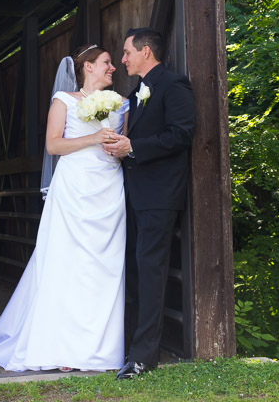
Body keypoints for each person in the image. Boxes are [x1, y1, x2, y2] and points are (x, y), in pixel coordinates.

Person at [0, 45, 129, 372]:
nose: (113, 68)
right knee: (68, 264)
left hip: (108, 190)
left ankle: (100, 350)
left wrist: (117, 149)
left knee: (106, 268)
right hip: (73, 190)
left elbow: (124, 147)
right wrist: (93, 139)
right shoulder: (63, 101)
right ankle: (63, 347)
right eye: (107, 63)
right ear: (88, 67)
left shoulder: (122, 104)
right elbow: (53, 145)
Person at [102, 28, 195, 379]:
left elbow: (182, 134)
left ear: (145, 51)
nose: (122, 59)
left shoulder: (174, 85)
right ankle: (129, 349)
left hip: (159, 196)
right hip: (133, 195)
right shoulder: (135, 92)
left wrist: (133, 148)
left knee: (151, 272)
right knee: (136, 271)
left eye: (126, 52)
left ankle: (143, 358)